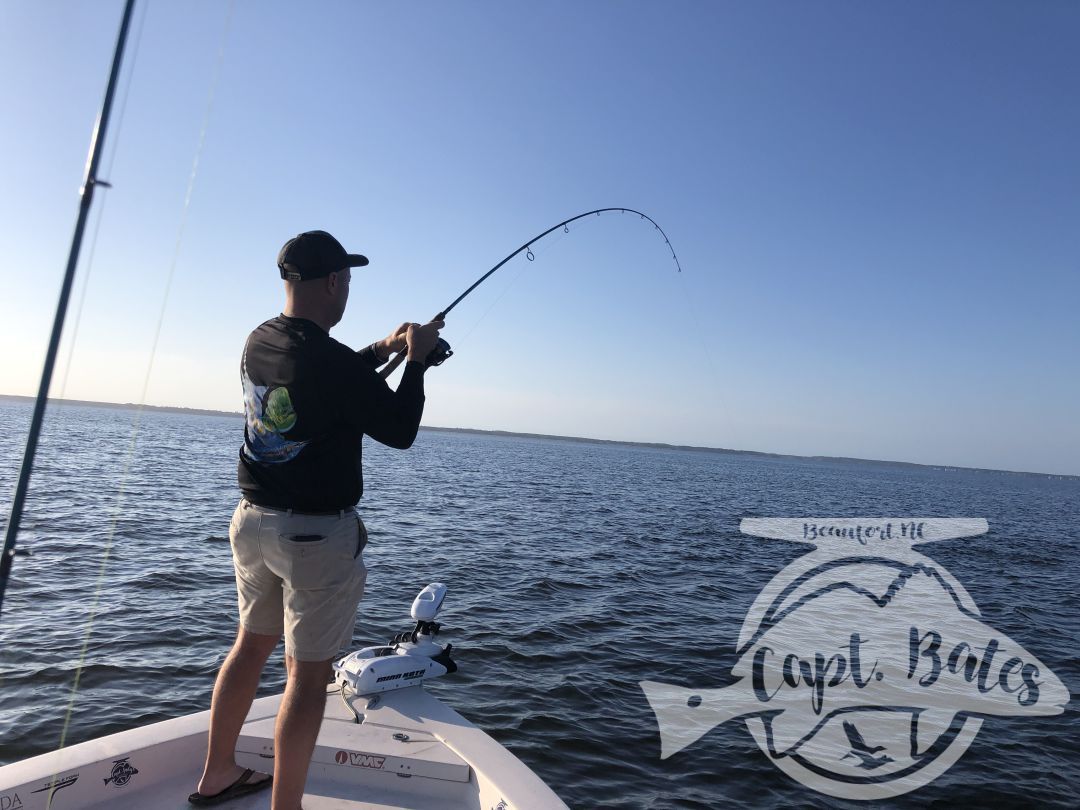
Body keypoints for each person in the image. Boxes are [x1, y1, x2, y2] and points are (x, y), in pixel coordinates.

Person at [188, 230, 443, 809]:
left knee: (249, 648)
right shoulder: (330, 363)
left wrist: (385, 348)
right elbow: (400, 430)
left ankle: (216, 774)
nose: (348, 288)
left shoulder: (260, 341)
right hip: (313, 538)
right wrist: (419, 363)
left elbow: (327, 377)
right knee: (306, 677)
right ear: (332, 282)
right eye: (347, 279)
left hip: (251, 523)